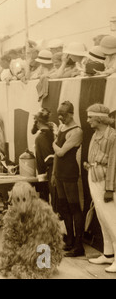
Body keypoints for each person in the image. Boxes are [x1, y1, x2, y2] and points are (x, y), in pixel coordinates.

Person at [84, 104, 116, 273]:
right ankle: (109, 255)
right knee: (102, 218)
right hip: (94, 177)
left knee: (112, 219)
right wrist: (89, 165)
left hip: (105, 181)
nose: (88, 120)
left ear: (99, 118)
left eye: (90, 117)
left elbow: (113, 164)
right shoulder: (96, 133)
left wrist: (110, 189)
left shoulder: (113, 136)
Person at [52, 101, 84, 257]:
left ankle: (79, 245)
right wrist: (53, 173)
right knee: (64, 207)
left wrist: (53, 144)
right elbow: (57, 158)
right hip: (59, 173)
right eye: (58, 115)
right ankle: (69, 240)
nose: (60, 118)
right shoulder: (62, 127)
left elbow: (61, 152)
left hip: (70, 172)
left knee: (74, 207)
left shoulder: (77, 131)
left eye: (63, 115)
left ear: (71, 114)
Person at [31, 108, 57, 209]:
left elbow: (45, 158)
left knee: (46, 202)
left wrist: (41, 175)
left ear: (38, 122)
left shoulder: (41, 137)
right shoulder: (52, 132)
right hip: (53, 170)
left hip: (48, 172)